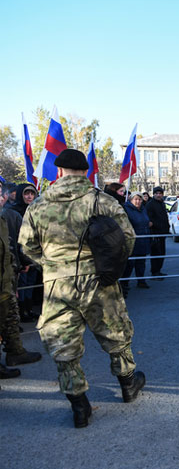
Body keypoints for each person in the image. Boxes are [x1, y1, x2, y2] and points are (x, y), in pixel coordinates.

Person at [19, 149, 145, 428]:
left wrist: (53, 266)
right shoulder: (102, 201)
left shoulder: (37, 206)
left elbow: (27, 246)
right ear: (86, 172)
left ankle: (79, 406)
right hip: (98, 280)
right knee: (115, 332)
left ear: (59, 171)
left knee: (63, 344)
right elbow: (127, 239)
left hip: (57, 285)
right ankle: (127, 385)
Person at [0, 182, 42, 372]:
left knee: (10, 317)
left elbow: (8, 249)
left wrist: (16, 266)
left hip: (6, 278)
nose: (2, 197)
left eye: (2, 194)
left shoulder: (4, 218)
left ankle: (15, 352)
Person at [121, 192, 152, 295]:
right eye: (136, 199)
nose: (138, 201)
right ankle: (124, 283)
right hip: (133, 239)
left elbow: (145, 220)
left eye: (139, 199)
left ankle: (141, 281)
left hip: (143, 238)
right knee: (130, 263)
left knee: (141, 262)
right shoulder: (126, 209)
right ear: (131, 200)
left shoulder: (143, 209)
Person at [145, 186, 170, 279]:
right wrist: (155, 226)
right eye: (157, 193)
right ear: (154, 194)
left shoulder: (162, 203)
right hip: (155, 233)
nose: (159, 195)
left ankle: (158, 271)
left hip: (162, 232)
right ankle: (155, 272)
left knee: (162, 253)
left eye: (160, 193)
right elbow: (149, 219)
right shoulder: (150, 204)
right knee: (156, 253)